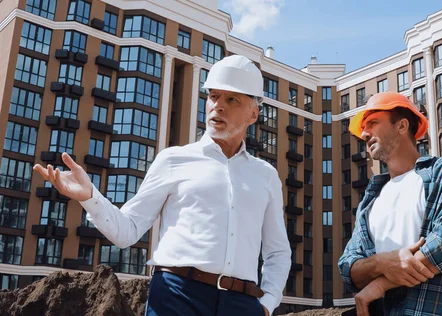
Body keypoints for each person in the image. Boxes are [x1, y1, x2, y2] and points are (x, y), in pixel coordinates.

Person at [33, 55, 292, 316]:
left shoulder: (266, 176)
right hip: (176, 297)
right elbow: (128, 231)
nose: (218, 106)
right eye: (213, 96)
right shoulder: (172, 160)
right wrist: (89, 196)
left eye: (231, 99)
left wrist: (267, 304)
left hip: (242, 304)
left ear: (253, 113)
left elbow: (278, 251)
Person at [338, 92, 442, 315]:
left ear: (402, 125)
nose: (365, 134)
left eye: (373, 123)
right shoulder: (371, 198)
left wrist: (380, 284)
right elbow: (348, 267)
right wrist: (381, 263)